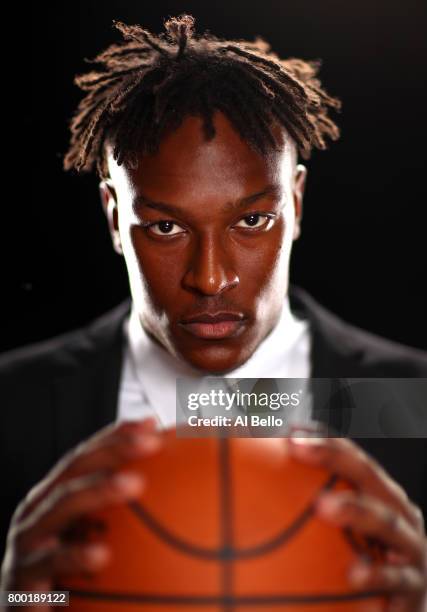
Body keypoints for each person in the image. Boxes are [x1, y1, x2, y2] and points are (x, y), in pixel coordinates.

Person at [1, 14, 426, 610]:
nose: (210, 278)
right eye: (166, 226)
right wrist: (19, 603)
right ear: (112, 217)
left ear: (296, 203)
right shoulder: (14, 405)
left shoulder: (412, 399)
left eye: (252, 221)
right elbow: (35, 602)